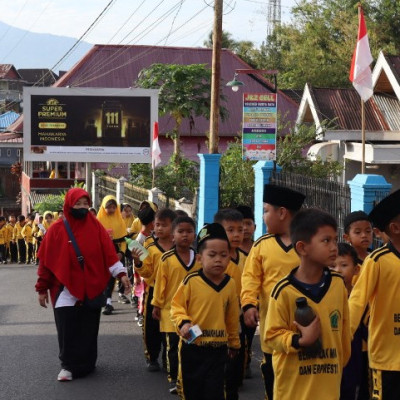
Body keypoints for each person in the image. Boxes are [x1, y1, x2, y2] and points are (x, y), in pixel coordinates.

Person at [35, 188, 131, 381]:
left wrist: (122, 274)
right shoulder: (56, 229)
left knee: (88, 327)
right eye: (78, 204)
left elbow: (109, 254)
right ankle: (68, 366)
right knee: (67, 328)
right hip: (64, 289)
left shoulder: (96, 227)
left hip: (91, 286)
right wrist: (41, 288)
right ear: (69, 205)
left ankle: (87, 363)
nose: (82, 208)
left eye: (85, 204)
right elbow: (46, 261)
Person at [266, 208, 351, 400]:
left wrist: (340, 362)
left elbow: (344, 329)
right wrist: (300, 341)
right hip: (294, 391)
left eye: (334, 239)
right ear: (302, 248)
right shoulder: (284, 291)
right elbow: (271, 336)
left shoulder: (337, 284)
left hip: (329, 388)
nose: (334, 247)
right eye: (326, 240)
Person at [241, 184, 305, 399]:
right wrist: (249, 304)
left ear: (282, 213)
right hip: (273, 330)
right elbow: (250, 279)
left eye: (266, 210)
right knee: (273, 379)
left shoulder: (307, 245)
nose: (264, 216)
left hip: (305, 328)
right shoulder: (262, 246)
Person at [171, 223, 240, 400]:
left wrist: (234, 343)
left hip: (218, 350)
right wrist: (184, 323)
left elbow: (232, 317)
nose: (219, 259)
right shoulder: (191, 281)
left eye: (224, 255)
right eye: (212, 255)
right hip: (193, 347)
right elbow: (176, 306)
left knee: (215, 392)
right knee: (192, 392)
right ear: (200, 259)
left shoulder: (230, 284)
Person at [349, 189, 400, 399]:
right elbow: (356, 303)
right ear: (395, 228)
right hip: (386, 357)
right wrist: (340, 340)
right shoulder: (377, 261)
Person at [151, 216, 201, 394]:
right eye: (181, 232)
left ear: (194, 235)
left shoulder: (200, 259)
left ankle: (188, 375)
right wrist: (156, 304)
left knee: (192, 343)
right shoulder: (166, 259)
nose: (185, 235)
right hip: (170, 311)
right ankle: (174, 378)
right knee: (172, 345)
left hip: (194, 312)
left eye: (189, 231)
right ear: (173, 236)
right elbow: (159, 284)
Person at [133, 208, 176, 372]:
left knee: (171, 327)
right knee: (151, 327)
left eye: (164, 225)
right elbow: (147, 272)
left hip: (173, 293)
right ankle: (152, 357)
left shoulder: (179, 246)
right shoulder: (150, 246)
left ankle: (169, 356)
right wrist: (138, 264)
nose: (159, 228)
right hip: (153, 291)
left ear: (173, 226)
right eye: (157, 225)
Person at [214, 208, 246, 399]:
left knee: (234, 367)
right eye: (230, 230)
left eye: (240, 230)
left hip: (238, 319)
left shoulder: (246, 258)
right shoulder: (213, 261)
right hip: (215, 321)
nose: (236, 234)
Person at [331, 242, 364, 400]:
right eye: (332, 266)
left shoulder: (361, 299)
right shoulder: (324, 297)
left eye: (343, 265)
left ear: (356, 269)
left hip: (355, 356)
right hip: (331, 357)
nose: (337, 270)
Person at [97, 195, 129, 313]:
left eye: (113, 207)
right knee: (104, 276)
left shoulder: (120, 220)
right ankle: (104, 299)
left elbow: (124, 240)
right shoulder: (98, 221)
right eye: (108, 207)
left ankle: (109, 301)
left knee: (113, 276)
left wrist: (121, 252)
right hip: (102, 252)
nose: (111, 210)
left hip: (116, 251)